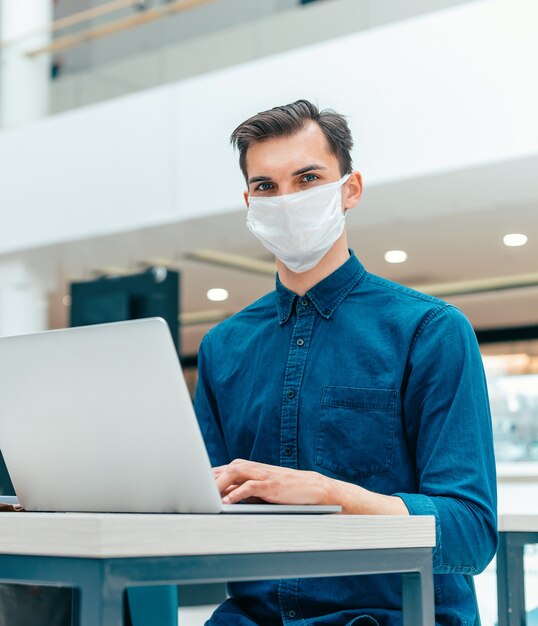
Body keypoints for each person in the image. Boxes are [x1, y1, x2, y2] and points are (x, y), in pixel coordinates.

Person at [194, 99, 498, 625]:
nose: (286, 200)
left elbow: (469, 531)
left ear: (349, 190)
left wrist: (331, 493)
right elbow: (203, 514)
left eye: (308, 178)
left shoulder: (429, 330)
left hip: (396, 616)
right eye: (266, 186)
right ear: (249, 202)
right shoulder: (223, 347)